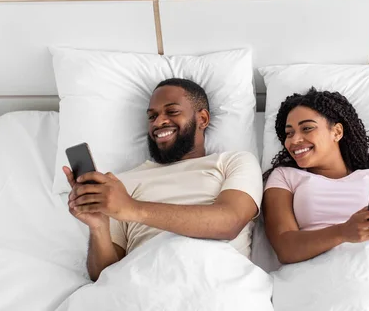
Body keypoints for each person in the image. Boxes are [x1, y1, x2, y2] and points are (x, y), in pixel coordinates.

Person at [64, 78, 263, 281]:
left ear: (202, 119)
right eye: (152, 116)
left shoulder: (234, 161)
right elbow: (103, 276)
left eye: (172, 112)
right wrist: (99, 227)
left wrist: (132, 209)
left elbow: (229, 222)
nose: (158, 122)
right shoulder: (120, 184)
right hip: (142, 289)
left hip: (214, 281)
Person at [263, 88, 369, 264]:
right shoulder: (285, 176)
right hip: (323, 276)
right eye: (289, 133)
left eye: (307, 128)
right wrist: (343, 232)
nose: (293, 140)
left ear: (337, 132)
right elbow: (285, 249)